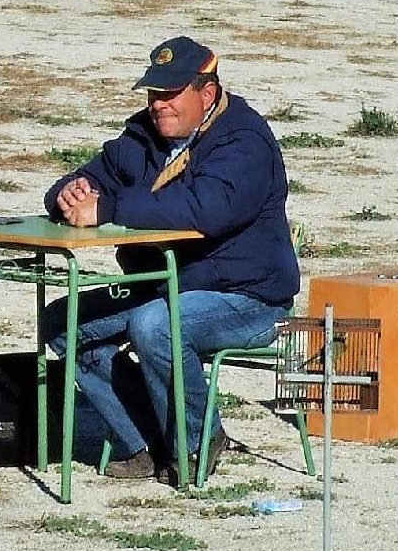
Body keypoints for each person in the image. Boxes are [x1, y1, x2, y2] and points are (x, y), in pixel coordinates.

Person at [39, 35, 299, 485]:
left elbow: (205, 209)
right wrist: (67, 194)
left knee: (155, 325)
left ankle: (196, 443)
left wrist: (110, 208)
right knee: (64, 322)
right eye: (155, 94)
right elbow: (88, 175)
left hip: (246, 297)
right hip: (163, 285)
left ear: (207, 93)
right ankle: (147, 440)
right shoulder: (142, 135)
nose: (159, 105)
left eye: (170, 94)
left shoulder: (245, 140)